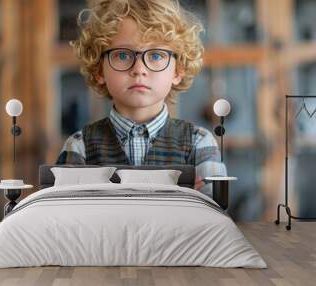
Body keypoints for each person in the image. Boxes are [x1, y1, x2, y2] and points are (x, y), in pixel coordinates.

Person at [56, 0, 226, 197]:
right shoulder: (79, 147)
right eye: (122, 55)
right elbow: (63, 220)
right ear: (99, 69)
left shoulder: (199, 144)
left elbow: (213, 217)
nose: (139, 69)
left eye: (155, 55)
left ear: (178, 70)